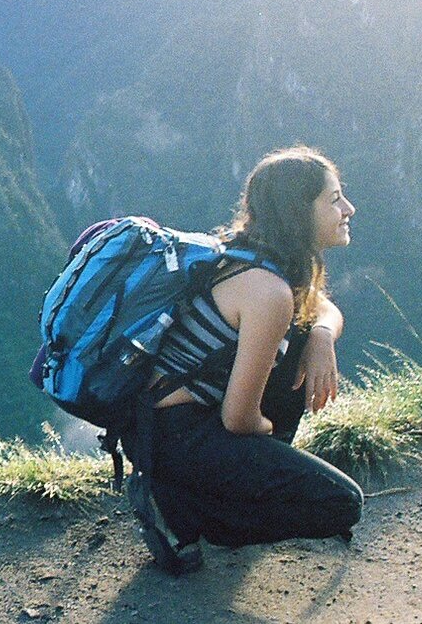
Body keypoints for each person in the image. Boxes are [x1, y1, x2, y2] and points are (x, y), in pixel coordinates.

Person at [126, 145, 365, 574]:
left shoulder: (246, 256)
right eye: (333, 199)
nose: (348, 208)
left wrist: (322, 337)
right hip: (179, 438)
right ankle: (194, 518)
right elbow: (239, 419)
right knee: (341, 503)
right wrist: (267, 436)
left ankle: (207, 494)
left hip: (157, 428)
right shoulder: (268, 291)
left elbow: (319, 307)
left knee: (302, 336)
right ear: (299, 212)